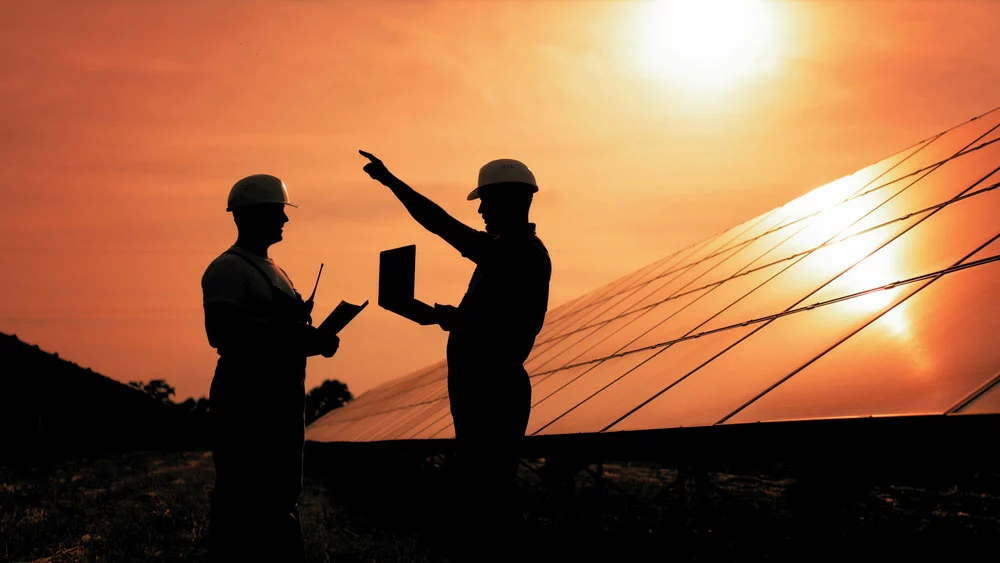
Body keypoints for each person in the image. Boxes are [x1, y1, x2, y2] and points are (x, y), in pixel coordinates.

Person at [359, 150, 552, 556]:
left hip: (495, 390)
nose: (480, 210)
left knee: (490, 495)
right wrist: (390, 181)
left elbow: (508, 331)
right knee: (482, 492)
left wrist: (451, 318)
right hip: (481, 388)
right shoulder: (500, 250)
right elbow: (440, 224)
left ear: (507, 200)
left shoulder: (525, 255)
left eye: (485, 200)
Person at [201, 174, 339, 563]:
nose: (286, 220)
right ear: (255, 214)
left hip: (281, 401)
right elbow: (222, 333)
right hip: (246, 402)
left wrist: (314, 343)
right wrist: (296, 334)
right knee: (241, 495)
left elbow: (272, 339)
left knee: (280, 497)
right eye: (279, 212)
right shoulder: (228, 269)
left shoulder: (274, 269)